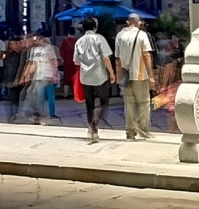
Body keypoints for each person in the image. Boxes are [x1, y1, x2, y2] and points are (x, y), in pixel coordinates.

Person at [72, 16, 115, 144]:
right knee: (104, 102)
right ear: (95, 27)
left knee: (89, 103)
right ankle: (95, 123)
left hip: (85, 76)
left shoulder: (79, 41)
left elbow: (76, 61)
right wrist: (111, 73)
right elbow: (106, 57)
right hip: (99, 74)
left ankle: (92, 128)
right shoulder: (99, 38)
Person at [115, 14, 154, 140]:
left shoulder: (120, 35)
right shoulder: (142, 35)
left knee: (129, 104)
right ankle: (143, 128)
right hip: (140, 74)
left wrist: (119, 75)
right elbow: (146, 55)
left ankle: (130, 131)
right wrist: (151, 76)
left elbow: (118, 58)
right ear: (139, 23)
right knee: (144, 102)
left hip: (126, 75)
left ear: (128, 22)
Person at [58, 27, 78, 100]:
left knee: (66, 78)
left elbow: (61, 52)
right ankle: (75, 94)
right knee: (75, 78)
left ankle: (65, 94)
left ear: (68, 33)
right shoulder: (77, 41)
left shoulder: (65, 41)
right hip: (75, 62)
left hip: (67, 62)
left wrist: (62, 59)